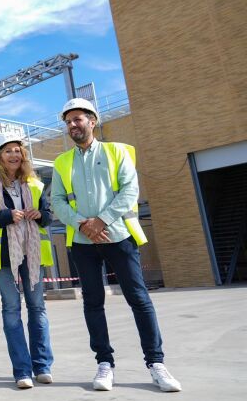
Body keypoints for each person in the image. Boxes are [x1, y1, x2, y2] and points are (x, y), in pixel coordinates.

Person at [51, 98, 182, 392]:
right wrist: (82, 224)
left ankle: (156, 363)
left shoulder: (117, 151)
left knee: (138, 298)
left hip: (118, 236)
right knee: (93, 302)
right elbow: (57, 201)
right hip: (83, 241)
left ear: (92, 121)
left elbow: (129, 191)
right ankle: (104, 363)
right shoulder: (62, 162)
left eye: (77, 119)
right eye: (68, 122)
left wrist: (102, 221)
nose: (72, 125)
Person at [0, 134, 54, 389]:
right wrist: (7, 215)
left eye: (17, 150)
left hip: (33, 254)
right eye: (8, 151)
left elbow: (48, 216)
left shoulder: (35, 185)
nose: (14, 155)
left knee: (37, 308)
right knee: (11, 310)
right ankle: (22, 370)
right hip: (4, 255)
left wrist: (40, 214)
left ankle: (42, 366)